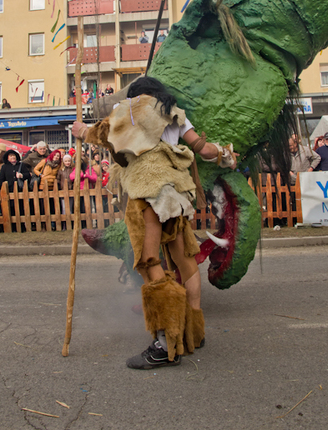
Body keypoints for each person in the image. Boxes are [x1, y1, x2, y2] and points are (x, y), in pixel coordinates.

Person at [72, 76, 237, 369]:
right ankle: (193, 333)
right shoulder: (174, 111)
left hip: (148, 194)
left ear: (136, 95)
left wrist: (81, 130)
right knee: (185, 261)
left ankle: (165, 343)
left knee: (149, 262)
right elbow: (205, 150)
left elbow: (104, 134)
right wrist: (226, 155)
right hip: (175, 194)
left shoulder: (132, 108)